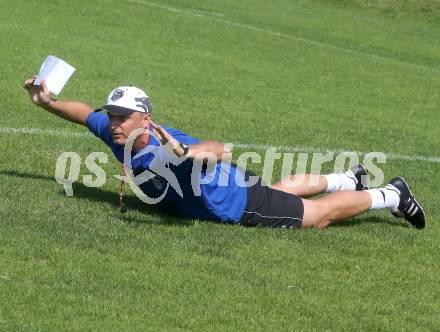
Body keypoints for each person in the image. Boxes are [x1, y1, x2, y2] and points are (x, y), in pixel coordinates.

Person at [23, 77, 426, 229]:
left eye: (123, 116)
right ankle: (348, 179)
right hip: (234, 184)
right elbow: (83, 115)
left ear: (144, 119)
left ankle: (391, 195)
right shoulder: (115, 134)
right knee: (280, 188)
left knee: (317, 216)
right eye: (112, 114)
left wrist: (189, 152)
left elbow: (217, 149)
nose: (114, 122)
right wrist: (46, 101)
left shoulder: (165, 144)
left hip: (234, 203)